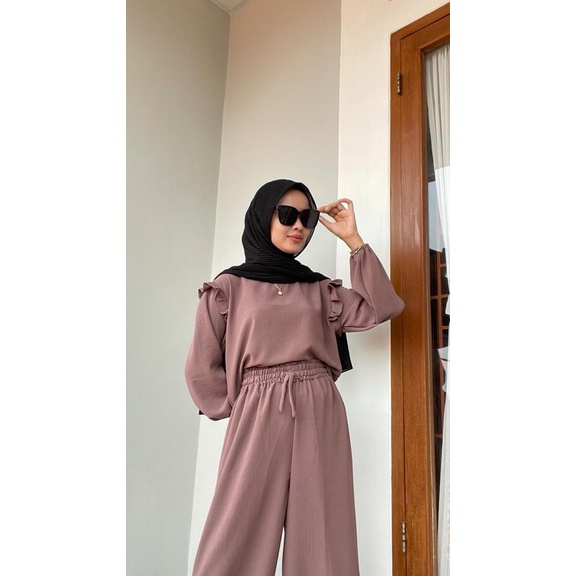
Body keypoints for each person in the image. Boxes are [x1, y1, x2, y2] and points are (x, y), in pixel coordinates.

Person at [184, 178, 404, 576]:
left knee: (322, 531)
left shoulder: (319, 289)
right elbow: (202, 363)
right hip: (257, 408)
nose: (298, 225)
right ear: (262, 217)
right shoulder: (229, 287)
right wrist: (240, 403)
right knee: (237, 528)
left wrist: (353, 241)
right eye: (287, 214)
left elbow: (380, 307)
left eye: (306, 217)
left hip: (319, 405)